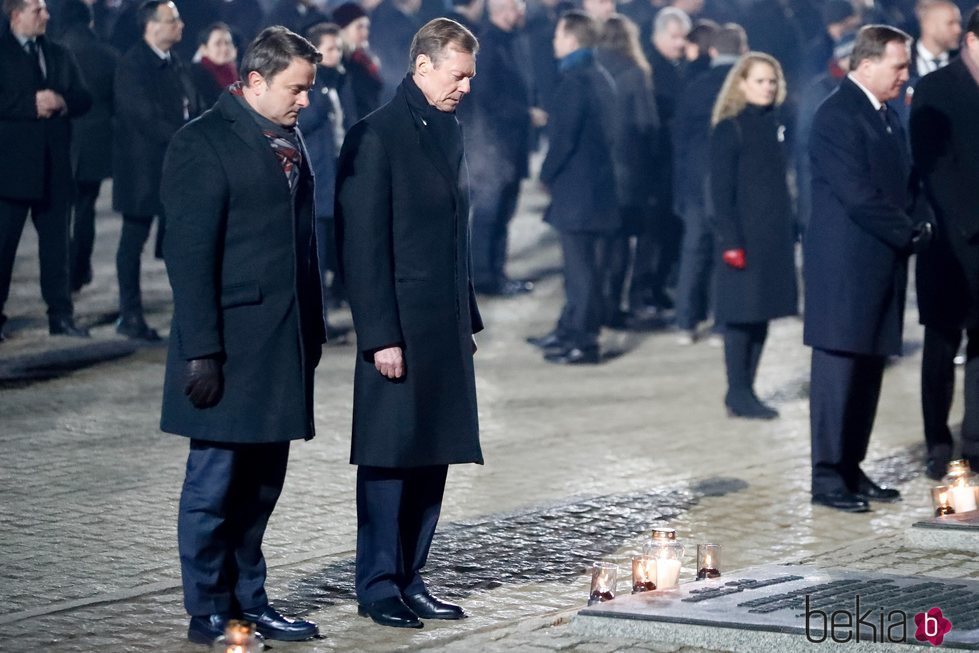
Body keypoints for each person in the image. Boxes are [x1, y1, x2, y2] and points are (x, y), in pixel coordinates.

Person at [159, 25, 324, 645]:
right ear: (254, 81)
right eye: (296, 88)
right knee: (214, 485)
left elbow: (302, 246)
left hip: (283, 344)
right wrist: (202, 352)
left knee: (261, 486)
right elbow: (189, 257)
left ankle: (250, 600)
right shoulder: (202, 143)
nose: (305, 100)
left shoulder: (287, 136)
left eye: (309, 89)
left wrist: (313, 327)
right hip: (227, 349)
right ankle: (207, 607)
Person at [335, 17, 484, 629]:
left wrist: (466, 319)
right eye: (458, 76)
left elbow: (455, 234)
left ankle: (411, 574)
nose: (466, 88)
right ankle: (376, 584)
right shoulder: (376, 137)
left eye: (471, 78)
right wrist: (379, 337)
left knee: (433, 455)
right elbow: (362, 248)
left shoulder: (447, 130)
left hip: (443, 325)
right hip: (398, 328)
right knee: (391, 458)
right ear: (423, 67)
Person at [804, 25, 933, 513]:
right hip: (844, 268)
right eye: (898, 65)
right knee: (839, 373)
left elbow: (902, 181)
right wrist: (908, 231)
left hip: (880, 262)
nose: (905, 75)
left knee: (869, 370)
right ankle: (827, 476)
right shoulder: (837, 115)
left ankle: (852, 467)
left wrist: (916, 222)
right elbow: (858, 194)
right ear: (865, 64)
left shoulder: (884, 114)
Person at [709, 52, 797, 419]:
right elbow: (720, 192)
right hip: (743, 238)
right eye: (760, 81)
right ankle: (737, 391)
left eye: (772, 81)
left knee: (762, 313)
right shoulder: (730, 128)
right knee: (741, 316)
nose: (768, 87)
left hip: (772, 238)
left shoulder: (776, 124)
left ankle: (747, 388)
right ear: (741, 84)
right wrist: (730, 242)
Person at [911, 7, 979, 479]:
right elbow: (934, 172)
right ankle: (938, 439)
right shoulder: (936, 89)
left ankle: (975, 438)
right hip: (949, 248)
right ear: (973, 42)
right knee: (941, 346)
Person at [0, 0, 92, 342]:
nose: (46, 15)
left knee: (57, 250)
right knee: (3, 249)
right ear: (16, 15)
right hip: (11, 172)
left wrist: (62, 102)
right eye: (38, 10)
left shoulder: (58, 52)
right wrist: (29, 105)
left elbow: (85, 97)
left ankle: (61, 316)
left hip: (55, 168)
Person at [529, 10, 617, 365]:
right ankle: (569, 330)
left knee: (580, 273)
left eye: (559, 36)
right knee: (585, 270)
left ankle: (584, 341)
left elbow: (563, 140)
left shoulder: (575, 82)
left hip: (578, 194)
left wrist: (546, 175)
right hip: (597, 190)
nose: (554, 41)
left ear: (573, 39)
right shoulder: (600, 76)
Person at [113, 0, 200, 341]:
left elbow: (192, 106)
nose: (181, 25)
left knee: (179, 242)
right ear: (152, 26)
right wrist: (186, 139)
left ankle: (188, 312)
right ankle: (129, 314)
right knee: (132, 242)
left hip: (175, 169)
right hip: (142, 171)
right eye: (173, 20)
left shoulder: (175, 62)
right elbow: (142, 116)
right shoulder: (132, 65)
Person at [672, 23, 746, 344]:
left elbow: (679, 137)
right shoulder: (745, 90)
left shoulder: (696, 86)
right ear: (743, 52)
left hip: (695, 177)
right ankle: (722, 322)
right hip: (732, 179)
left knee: (693, 249)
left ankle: (686, 322)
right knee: (725, 248)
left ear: (713, 51)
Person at [467, 0, 543, 297]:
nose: (519, 13)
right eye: (514, 8)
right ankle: (484, 276)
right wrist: (526, 114)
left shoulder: (514, 42)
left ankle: (497, 272)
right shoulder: (486, 47)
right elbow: (487, 99)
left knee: (504, 212)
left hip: (511, 146)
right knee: (490, 212)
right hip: (491, 147)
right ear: (499, 11)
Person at [595, 13, 658, 328]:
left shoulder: (591, 70)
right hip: (630, 169)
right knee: (623, 241)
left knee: (600, 243)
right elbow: (648, 124)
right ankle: (616, 305)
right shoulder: (636, 73)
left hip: (598, 167)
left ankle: (595, 305)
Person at [58, 0, 118, 294]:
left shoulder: (56, 53)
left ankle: (62, 271)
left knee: (57, 215)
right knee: (85, 211)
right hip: (95, 146)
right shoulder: (107, 55)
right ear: (90, 22)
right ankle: (79, 269)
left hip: (61, 142)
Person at [300, 21, 348, 340]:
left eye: (339, 48)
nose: (337, 53)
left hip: (336, 180)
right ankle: (317, 321)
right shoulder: (308, 87)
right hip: (317, 182)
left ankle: (327, 311)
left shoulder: (339, 82)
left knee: (332, 253)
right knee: (314, 258)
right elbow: (304, 123)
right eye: (330, 48)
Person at [333, 1, 383, 120]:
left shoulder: (364, 60)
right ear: (343, 28)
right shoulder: (339, 62)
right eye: (359, 27)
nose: (365, 32)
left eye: (366, 27)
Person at [190, 21, 238, 108]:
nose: (224, 48)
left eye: (227, 43)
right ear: (203, 49)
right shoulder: (194, 76)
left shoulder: (237, 73)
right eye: (218, 43)